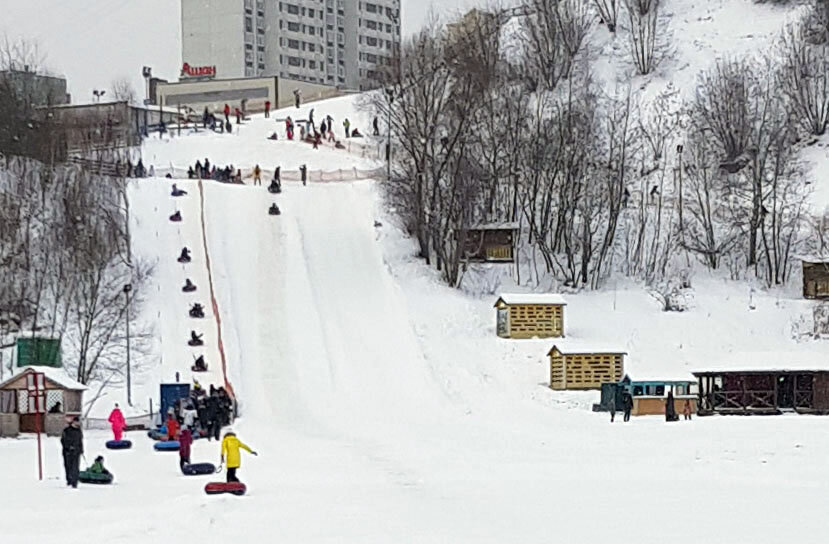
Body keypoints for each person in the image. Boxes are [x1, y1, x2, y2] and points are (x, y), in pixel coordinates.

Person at [61, 416, 83, 488]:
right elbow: (63, 440)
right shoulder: (67, 430)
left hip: (76, 452)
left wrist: (81, 450)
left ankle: (75, 482)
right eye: (76, 422)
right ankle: (69, 480)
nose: (77, 423)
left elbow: (80, 441)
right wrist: (68, 447)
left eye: (78, 422)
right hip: (68, 452)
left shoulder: (79, 431)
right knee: (68, 466)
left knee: (75, 467)